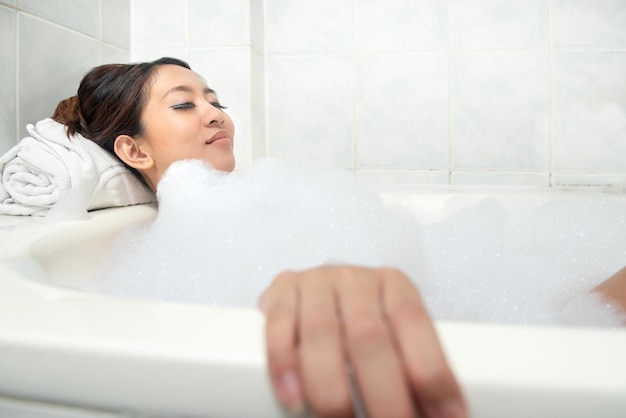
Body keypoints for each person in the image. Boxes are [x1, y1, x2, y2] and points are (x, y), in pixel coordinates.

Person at [51, 57, 467, 418]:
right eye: (183, 104)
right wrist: (326, 286)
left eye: (216, 102)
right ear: (135, 151)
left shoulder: (255, 196)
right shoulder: (182, 228)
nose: (216, 115)